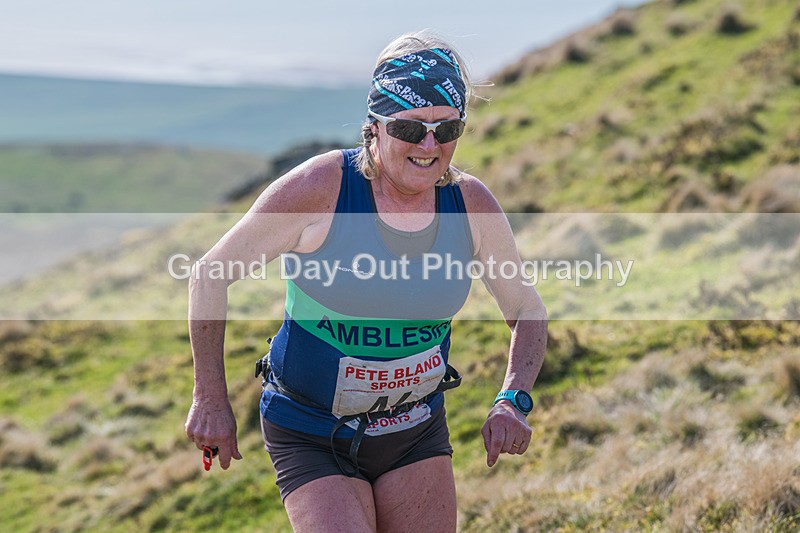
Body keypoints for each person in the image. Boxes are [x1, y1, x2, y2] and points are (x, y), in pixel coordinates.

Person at [185, 29, 547, 533]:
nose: (428, 145)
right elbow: (209, 275)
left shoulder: (471, 204)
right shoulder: (321, 188)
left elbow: (526, 310)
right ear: (374, 126)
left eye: (446, 130)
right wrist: (210, 397)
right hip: (311, 430)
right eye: (408, 128)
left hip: (414, 429)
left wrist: (513, 398)